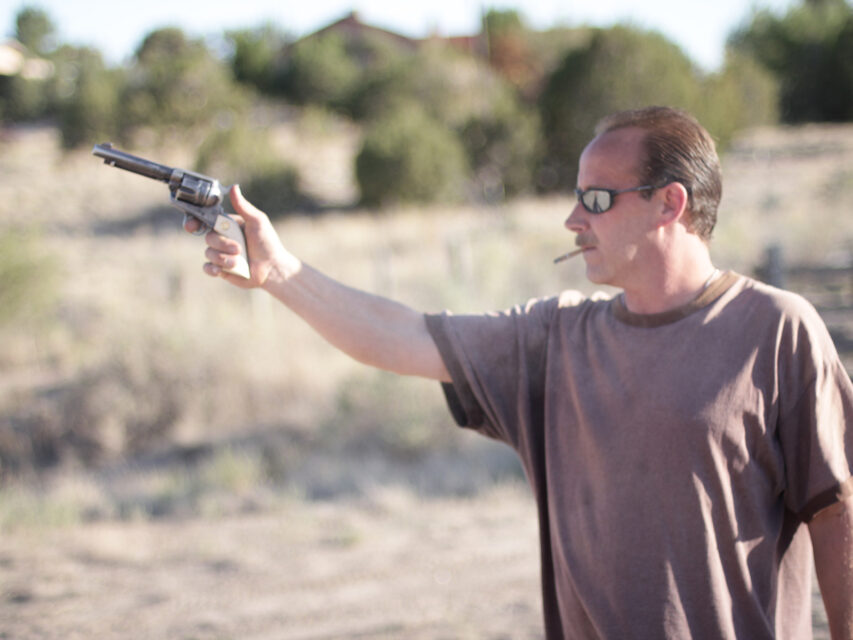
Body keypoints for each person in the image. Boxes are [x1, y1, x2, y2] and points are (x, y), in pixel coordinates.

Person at [186, 106, 853, 639]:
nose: (571, 220)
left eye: (594, 198)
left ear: (668, 204)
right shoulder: (552, 339)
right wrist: (279, 273)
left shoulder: (775, 330)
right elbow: (399, 335)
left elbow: (837, 514)